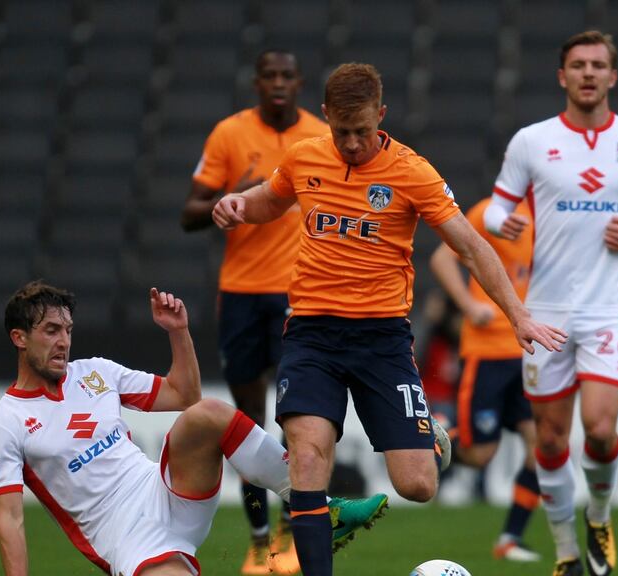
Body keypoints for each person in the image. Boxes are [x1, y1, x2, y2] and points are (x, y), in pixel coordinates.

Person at [213, 62, 567, 576]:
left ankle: (431, 432)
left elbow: (471, 246)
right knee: (308, 462)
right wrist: (238, 204)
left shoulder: (411, 172)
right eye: (342, 132)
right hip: (311, 334)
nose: (353, 143)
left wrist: (517, 314)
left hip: (382, 340)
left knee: (417, 485)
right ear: (327, 117)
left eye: (363, 131)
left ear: (381, 115)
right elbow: (272, 200)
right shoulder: (306, 155)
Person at [0, 280, 387, 576]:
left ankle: (315, 504)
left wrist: (178, 333)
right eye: (51, 331)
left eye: (68, 331)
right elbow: (11, 520)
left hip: (165, 490)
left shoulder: (95, 372)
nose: (64, 342)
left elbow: (184, 395)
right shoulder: (8, 422)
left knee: (207, 413)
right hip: (127, 538)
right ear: (19, 338)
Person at [483, 31, 618, 576]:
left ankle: (598, 516)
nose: (588, 73)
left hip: (609, 309)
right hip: (545, 312)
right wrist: (510, 222)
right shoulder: (532, 141)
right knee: (549, 438)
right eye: (578, 65)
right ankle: (566, 552)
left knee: (598, 428)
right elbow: (492, 211)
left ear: (613, 76)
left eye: (598, 65)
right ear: (562, 76)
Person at [180, 49, 327, 575]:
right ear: (258, 82)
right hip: (241, 293)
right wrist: (231, 199)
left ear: (300, 81)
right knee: (250, 423)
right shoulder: (229, 134)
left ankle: (290, 532)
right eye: (270, 76)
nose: (279, 83)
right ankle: (259, 538)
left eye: (288, 75)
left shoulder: (320, 135)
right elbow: (189, 213)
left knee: (296, 422)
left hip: (299, 294)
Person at [429, 198, 542, 563]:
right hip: (488, 350)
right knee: (479, 456)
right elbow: (442, 259)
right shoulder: (491, 211)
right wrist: (467, 304)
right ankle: (436, 440)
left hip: (529, 354)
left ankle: (510, 538)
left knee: (542, 448)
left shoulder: (552, 212)